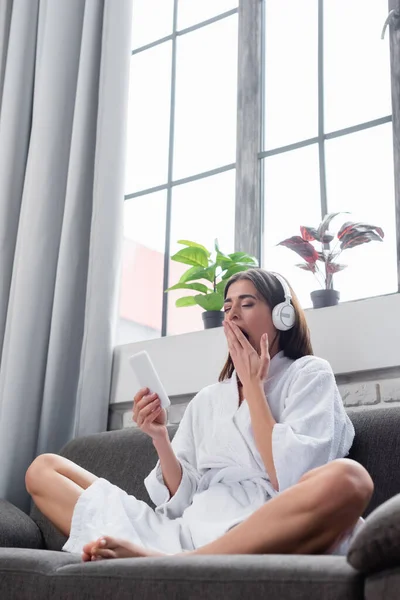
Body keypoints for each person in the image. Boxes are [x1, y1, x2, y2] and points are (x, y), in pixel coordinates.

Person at [25, 269, 373, 561]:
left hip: (263, 528)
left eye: (247, 303)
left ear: (284, 316)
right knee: (43, 469)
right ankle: (168, 560)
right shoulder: (209, 398)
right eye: (227, 307)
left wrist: (253, 387)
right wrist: (160, 437)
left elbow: (291, 477)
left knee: (350, 479)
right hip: (184, 531)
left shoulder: (309, 374)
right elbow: (182, 499)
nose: (233, 314)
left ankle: (179, 565)